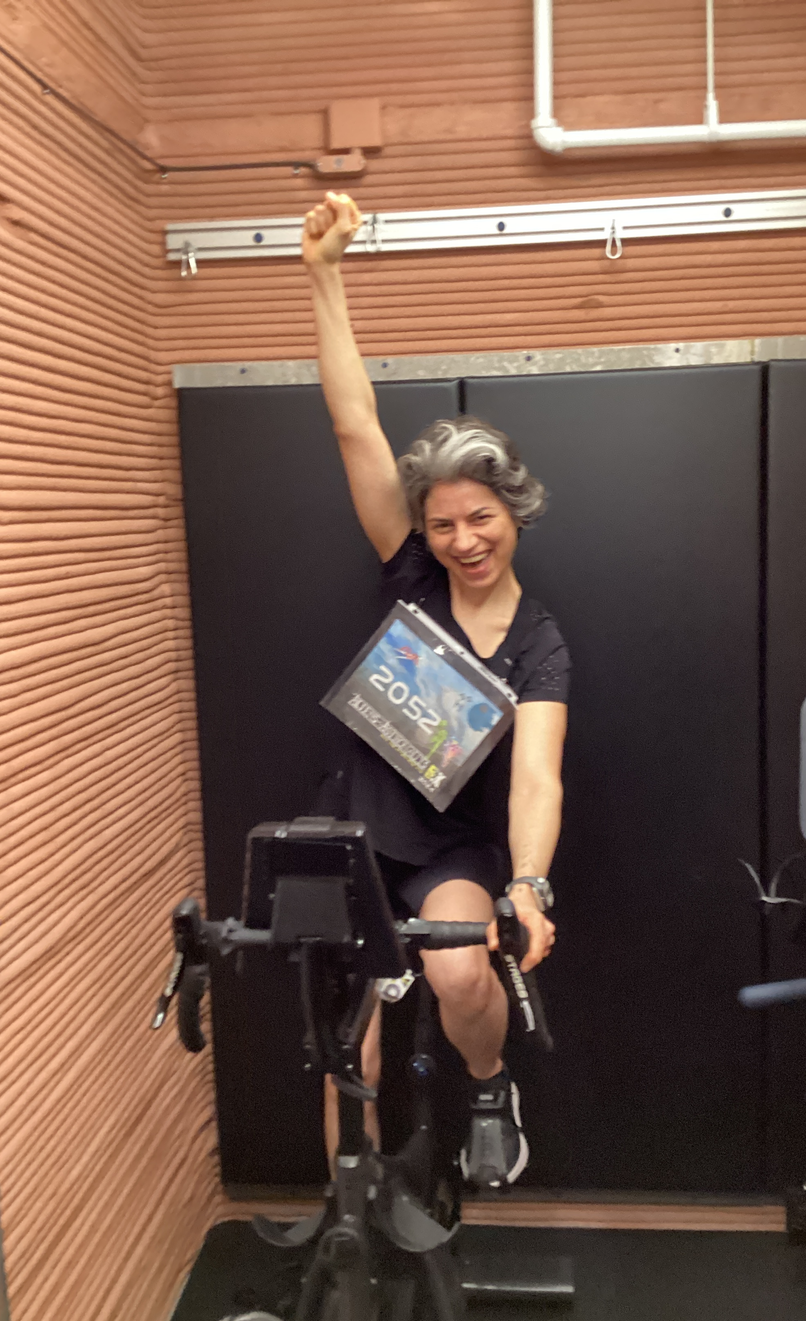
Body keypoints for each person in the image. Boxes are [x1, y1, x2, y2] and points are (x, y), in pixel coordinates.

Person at [303, 191, 570, 1189]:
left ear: (514, 514)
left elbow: (536, 779)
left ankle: (491, 1081)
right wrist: (324, 275)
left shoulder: (537, 643)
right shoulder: (410, 574)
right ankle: (353, 1206)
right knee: (346, 1044)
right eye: (444, 522)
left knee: (461, 968)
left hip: (448, 846)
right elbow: (352, 424)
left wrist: (530, 882)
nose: (461, 540)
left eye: (480, 519)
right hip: (355, 829)